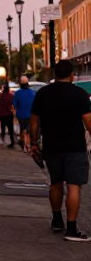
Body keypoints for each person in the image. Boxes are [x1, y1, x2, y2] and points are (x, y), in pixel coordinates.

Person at [30, 59, 91, 241]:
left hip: (51, 146)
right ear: (72, 74)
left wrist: (34, 143)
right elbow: (88, 122)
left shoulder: (43, 93)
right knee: (73, 187)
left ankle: (57, 220)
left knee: (56, 183)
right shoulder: (80, 94)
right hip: (75, 147)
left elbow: (34, 121)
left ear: (55, 74)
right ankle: (71, 229)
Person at [12, 75, 36, 152]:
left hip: (21, 115)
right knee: (28, 130)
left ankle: (23, 145)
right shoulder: (32, 93)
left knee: (23, 129)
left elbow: (14, 104)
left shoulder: (17, 93)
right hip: (31, 114)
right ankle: (28, 145)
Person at [0, 82, 15, 147]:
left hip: (2, 114)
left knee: (2, 127)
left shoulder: (0, 96)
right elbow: (13, 104)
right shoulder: (11, 96)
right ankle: (12, 141)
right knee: (10, 128)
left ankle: (2, 139)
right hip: (9, 114)